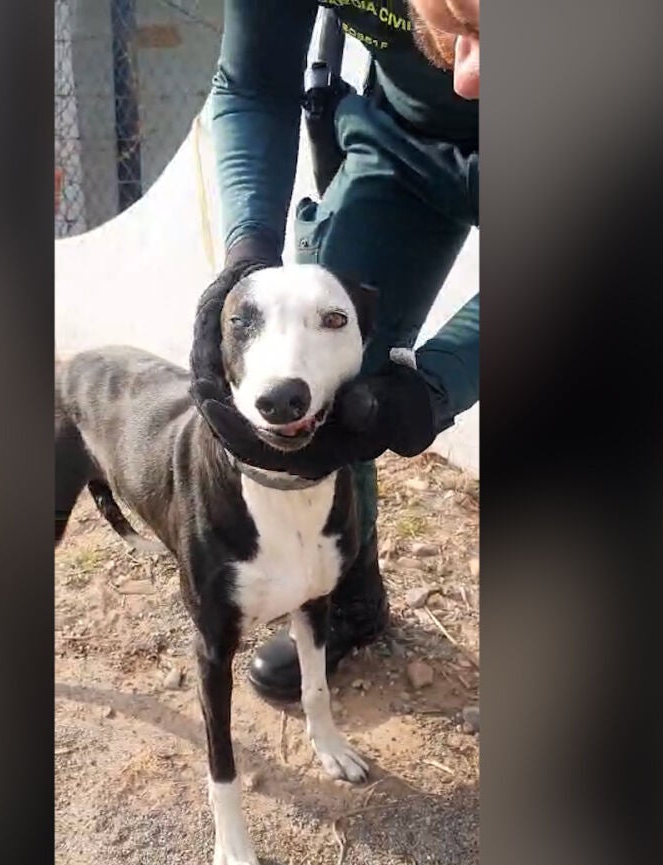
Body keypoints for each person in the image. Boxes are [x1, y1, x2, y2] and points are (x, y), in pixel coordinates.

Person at [188, 0, 481, 703]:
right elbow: (253, 83)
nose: (470, 78)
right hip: (405, 144)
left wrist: (437, 385)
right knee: (335, 375)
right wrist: (248, 253)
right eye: (463, 22)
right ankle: (349, 595)